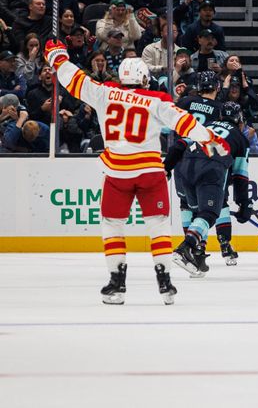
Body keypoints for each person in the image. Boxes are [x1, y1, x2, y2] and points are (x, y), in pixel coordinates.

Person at [41, 39, 227, 305]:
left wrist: (57, 57)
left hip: (117, 172)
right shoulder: (156, 100)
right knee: (159, 225)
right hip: (150, 171)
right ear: (143, 77)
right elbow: (185, 122)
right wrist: (211, 139)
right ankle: (165, 283)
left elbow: (74, 80)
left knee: (112, 225)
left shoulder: (103, 92)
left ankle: (117, 283)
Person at [171, 101, 252, 276]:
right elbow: (240, 175)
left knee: (188, 206)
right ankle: (187, 247)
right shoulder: (240, 137)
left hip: (182, 166)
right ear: (240, 120)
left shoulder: (205, 125)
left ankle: (197, 256)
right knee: (209, 213)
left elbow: (182, 143)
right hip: (209, 168)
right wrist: (244, 203)